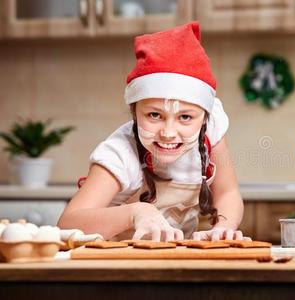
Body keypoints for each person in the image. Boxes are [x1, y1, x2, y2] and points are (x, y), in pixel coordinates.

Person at [58, 22, 245, 242]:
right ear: (134, 111)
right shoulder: (120, 154)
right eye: (154, 115)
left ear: (205, 118)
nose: (168, 132)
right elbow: (67, 223)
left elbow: (228, 193)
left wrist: (223, 226)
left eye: (185, 117)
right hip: (119, 263)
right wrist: (135, 213)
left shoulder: (210, 134)